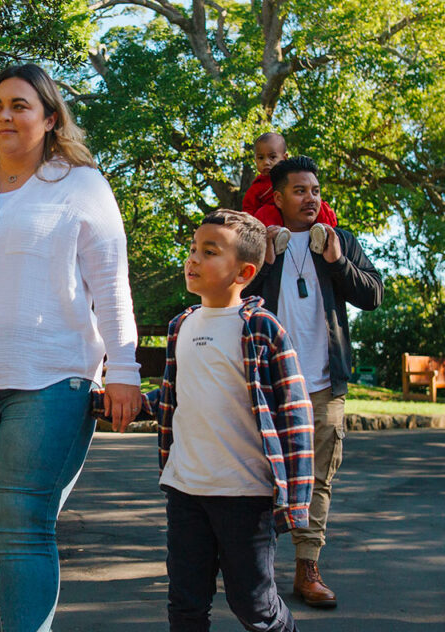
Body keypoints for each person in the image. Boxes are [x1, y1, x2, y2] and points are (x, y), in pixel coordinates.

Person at [0, 63, 142, 632]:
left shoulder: (82, 185)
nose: (5, 116)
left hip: (53, 378)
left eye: (19, 105)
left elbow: (111, 282)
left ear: (49, 117)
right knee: (14, 525)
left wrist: (125, 370)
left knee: (21, 525)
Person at [100, 210, 314, 631]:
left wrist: (297, 502)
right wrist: (124, 403)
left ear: (244, 271)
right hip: (186, 489)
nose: (193, 259)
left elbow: (295, 415)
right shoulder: (182, 325)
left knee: (254, 606)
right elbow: (178, 395)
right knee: (185, 605)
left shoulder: (261, 329)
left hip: (245, 495)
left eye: (209, 252)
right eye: (193, 249)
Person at [245, 156, 383, 609]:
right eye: (300, 190)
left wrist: (339, 262)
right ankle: (255, 569)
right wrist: (264, 261)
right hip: (270, 383)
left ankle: (307, 568)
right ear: (278, 196)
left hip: (325, 383)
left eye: (316, 190)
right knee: (258, 476)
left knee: (319, 479)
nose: (311, 198)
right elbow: (234, 300)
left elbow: (373, 295)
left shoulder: (339, 241)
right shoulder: (261, 242)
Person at [242, 132, 338, 256]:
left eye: (272, 157)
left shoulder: (294, 177)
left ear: (284, 157)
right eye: (261, 158)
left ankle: (322, 234)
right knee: (264, 212)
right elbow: (248, 209)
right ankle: (276, 239)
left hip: (299, 217)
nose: (266, 162)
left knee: (321, 207)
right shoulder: (257, 187)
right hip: (273, 222)